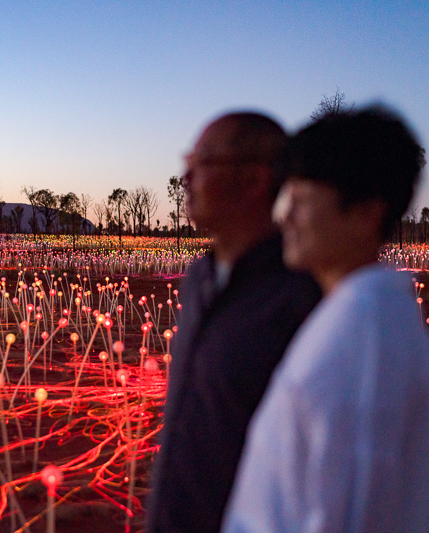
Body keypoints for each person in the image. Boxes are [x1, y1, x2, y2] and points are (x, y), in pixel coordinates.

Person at [223, 107, 429, 533]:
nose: (282, 215)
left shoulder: (365, 341)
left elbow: (355, 512)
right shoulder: (358, 319)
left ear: (367, 212)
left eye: (302, 200)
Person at [145, 112, 322, 533]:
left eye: (202, 162)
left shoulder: (301, 297)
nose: (186, 177)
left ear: (255, 179)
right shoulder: (198, 278)